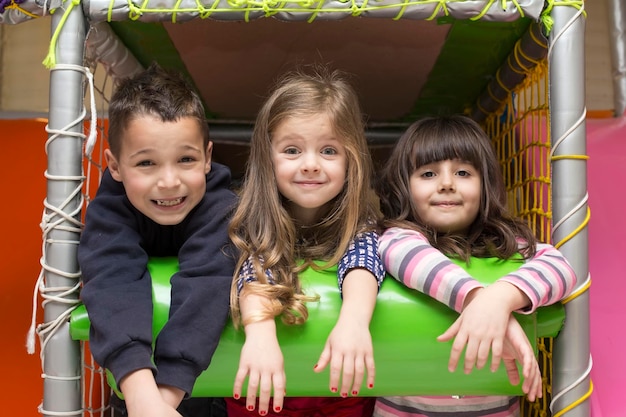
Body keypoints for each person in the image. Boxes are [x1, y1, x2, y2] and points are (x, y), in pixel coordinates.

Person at [373, 115, 578, 417]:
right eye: (428, 174)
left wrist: (501, 299)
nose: (446, 184)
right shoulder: (399, 238)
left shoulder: (506, 246)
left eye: (463, 172)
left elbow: (561, 267)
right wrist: (476, 299)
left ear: (485, 184)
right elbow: (402, 254)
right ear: (404, 186)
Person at [77, 63, 237, 417]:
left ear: (207, 158)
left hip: (206, 383)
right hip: (134, 382)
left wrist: (161, 401)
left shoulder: (221, 207)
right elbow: (111, 279)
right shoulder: (110, 210)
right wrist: (140, 395)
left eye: (185, 160)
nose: (169, 181)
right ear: (115, 166)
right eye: (147, 163)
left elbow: (209, 281)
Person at [225, 67, 385, 417]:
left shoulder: (360, 222)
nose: (311, 165)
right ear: (267, 157)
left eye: (329, 151)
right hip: (262, 392)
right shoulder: (251, 218)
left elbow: (363, 259)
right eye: (292, 150)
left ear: (351, 159)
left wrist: (354, 321)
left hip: (338, 388)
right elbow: (253, 265)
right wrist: (260, 331)